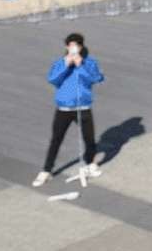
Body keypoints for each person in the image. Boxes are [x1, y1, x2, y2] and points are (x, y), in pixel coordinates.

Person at [33, 33, 105, 187]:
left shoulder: (89, 62)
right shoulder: (60, 63)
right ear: (66, 47)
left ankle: (90, 164)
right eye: (71, 45)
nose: (74, 48)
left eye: (77, 45)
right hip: (64, 108)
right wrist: (67, 64)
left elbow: (96, 78)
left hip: (83, 107)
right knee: (56, 139)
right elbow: (53, 79)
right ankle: (46, 170)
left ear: (81, 47)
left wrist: (81, 65)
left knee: (89, 139)